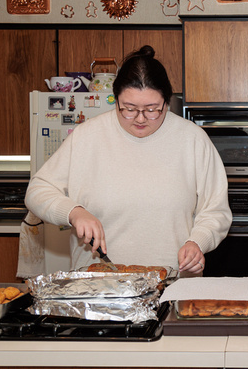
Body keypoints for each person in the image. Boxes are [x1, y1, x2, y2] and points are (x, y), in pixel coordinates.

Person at [25, 45, 232, 274]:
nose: (140, 119)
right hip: (98, 286)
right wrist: (73, 211)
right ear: (116, 99)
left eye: (153, 109)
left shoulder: (193, 139)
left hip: (172, 283)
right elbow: (37, 190)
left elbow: (216, 211)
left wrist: (197, 242)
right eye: (129, 109)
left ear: (167, 101)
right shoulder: (87, 136)